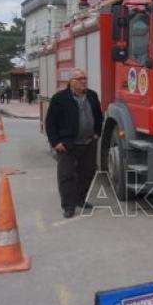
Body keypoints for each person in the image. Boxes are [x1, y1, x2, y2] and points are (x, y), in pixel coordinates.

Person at [45, 68, 103, 218]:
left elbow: (98, 115)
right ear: (71, 82)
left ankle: (80, 199)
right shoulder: (60, 98)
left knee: (88, 172)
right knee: (67, 176)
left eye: (85, 78)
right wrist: (56, 142)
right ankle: (68, 206)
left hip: (89, 142)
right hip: (67, 144)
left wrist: (97, 132)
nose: (84, 81)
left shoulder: (92, 95)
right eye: (80, 79)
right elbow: (50, 122)